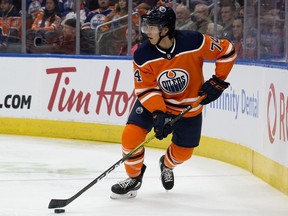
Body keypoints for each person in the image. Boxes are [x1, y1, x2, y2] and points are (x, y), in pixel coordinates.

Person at [110, 4, 236, 199]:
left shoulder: (194, 41)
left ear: (166, 30)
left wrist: (218, 80)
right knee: (130, 136)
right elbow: (146, 88)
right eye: (146, 26)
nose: (147, 32)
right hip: (154, 103)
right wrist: (159, 113)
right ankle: (134, 178)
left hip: (188, 107)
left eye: (152, 27)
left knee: (183, 154)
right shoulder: (142, 54)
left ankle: (167, 165)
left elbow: (227, 50)